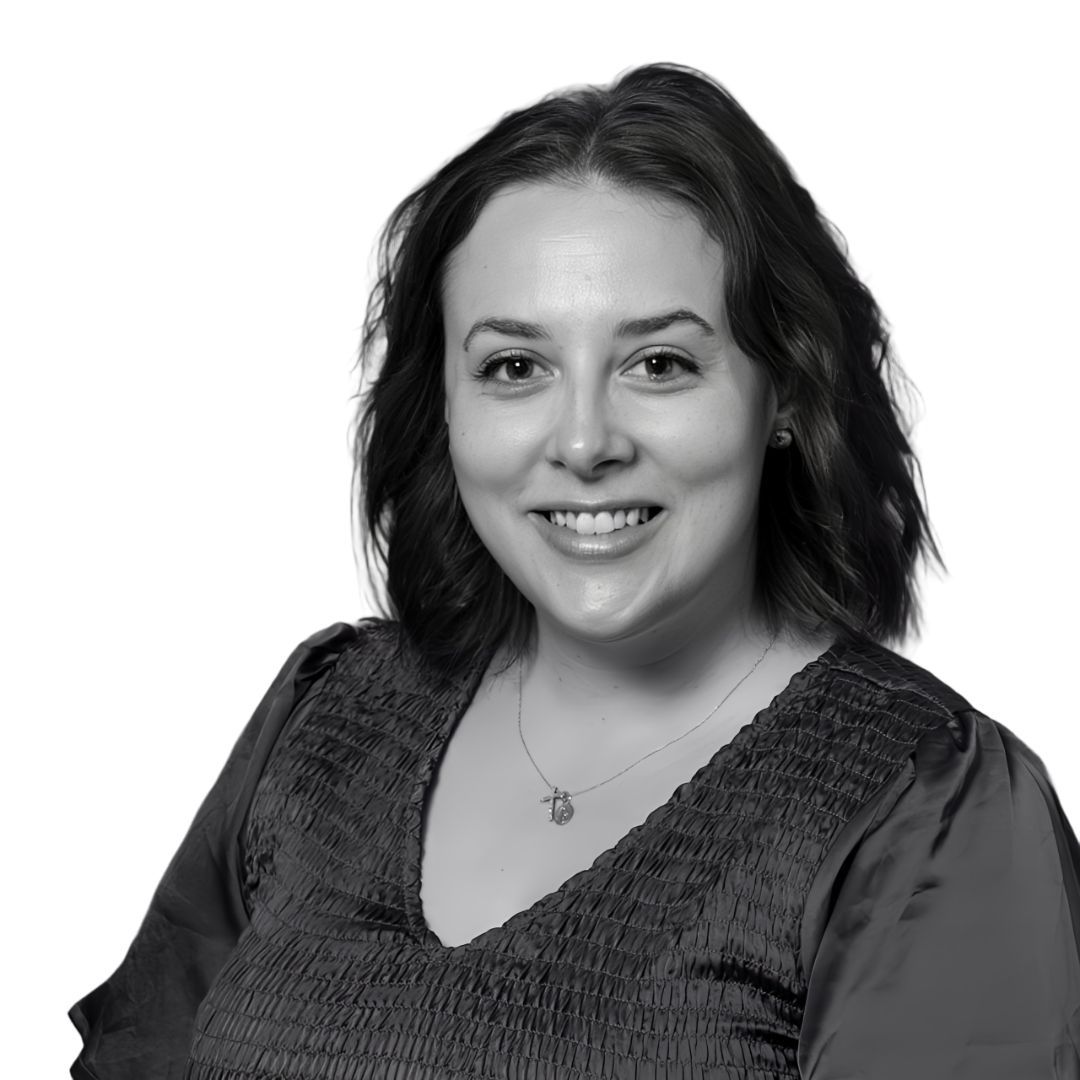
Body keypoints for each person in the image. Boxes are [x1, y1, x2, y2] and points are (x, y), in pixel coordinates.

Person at [70, 63, 1080, 1080]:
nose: (586, 441)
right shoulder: (324, 721)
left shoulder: (929, 808)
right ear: (447, 408)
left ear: (786, 392)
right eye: (516, 367)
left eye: (660, 364)